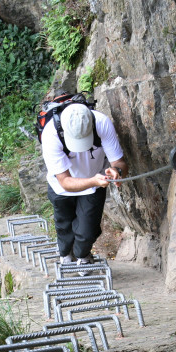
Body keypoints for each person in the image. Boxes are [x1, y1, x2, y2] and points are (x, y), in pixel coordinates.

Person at [40, 100, 128, 269]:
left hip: (95, 184)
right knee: (64, 223)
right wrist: (93, 180)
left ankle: (82, 254)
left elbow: (120, 162)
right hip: (62, 186)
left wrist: (117, 171)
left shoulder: (101, 123)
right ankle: (65, 254)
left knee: (88, 230)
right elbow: (65, 182)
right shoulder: (51, 134)